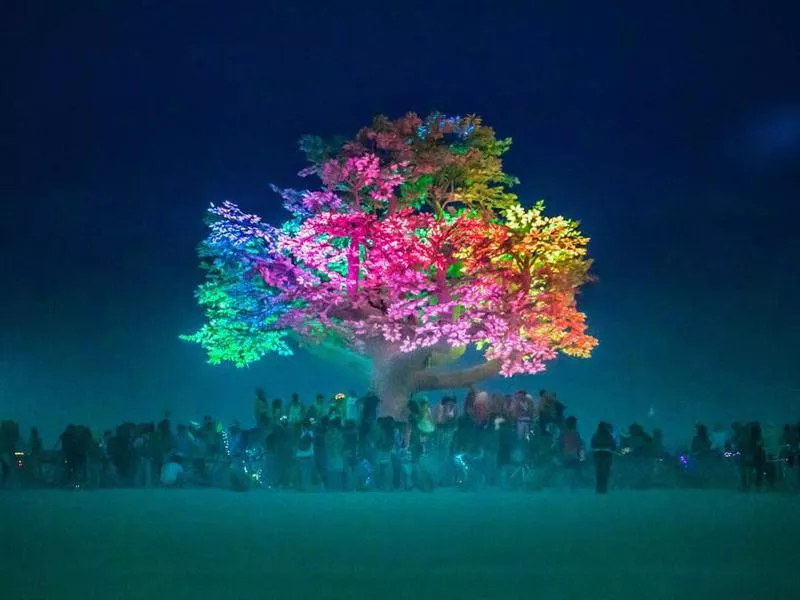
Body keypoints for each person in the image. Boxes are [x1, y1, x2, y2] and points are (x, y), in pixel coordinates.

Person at [591, 422, 617, 494]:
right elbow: (614, 446)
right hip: (607, 456)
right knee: (606, 472)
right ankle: (604, 488)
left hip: (598, 456)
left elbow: (592, 446)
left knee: (599, 473)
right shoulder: (609, 436)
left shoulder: (595, 436)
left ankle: (599, 489)